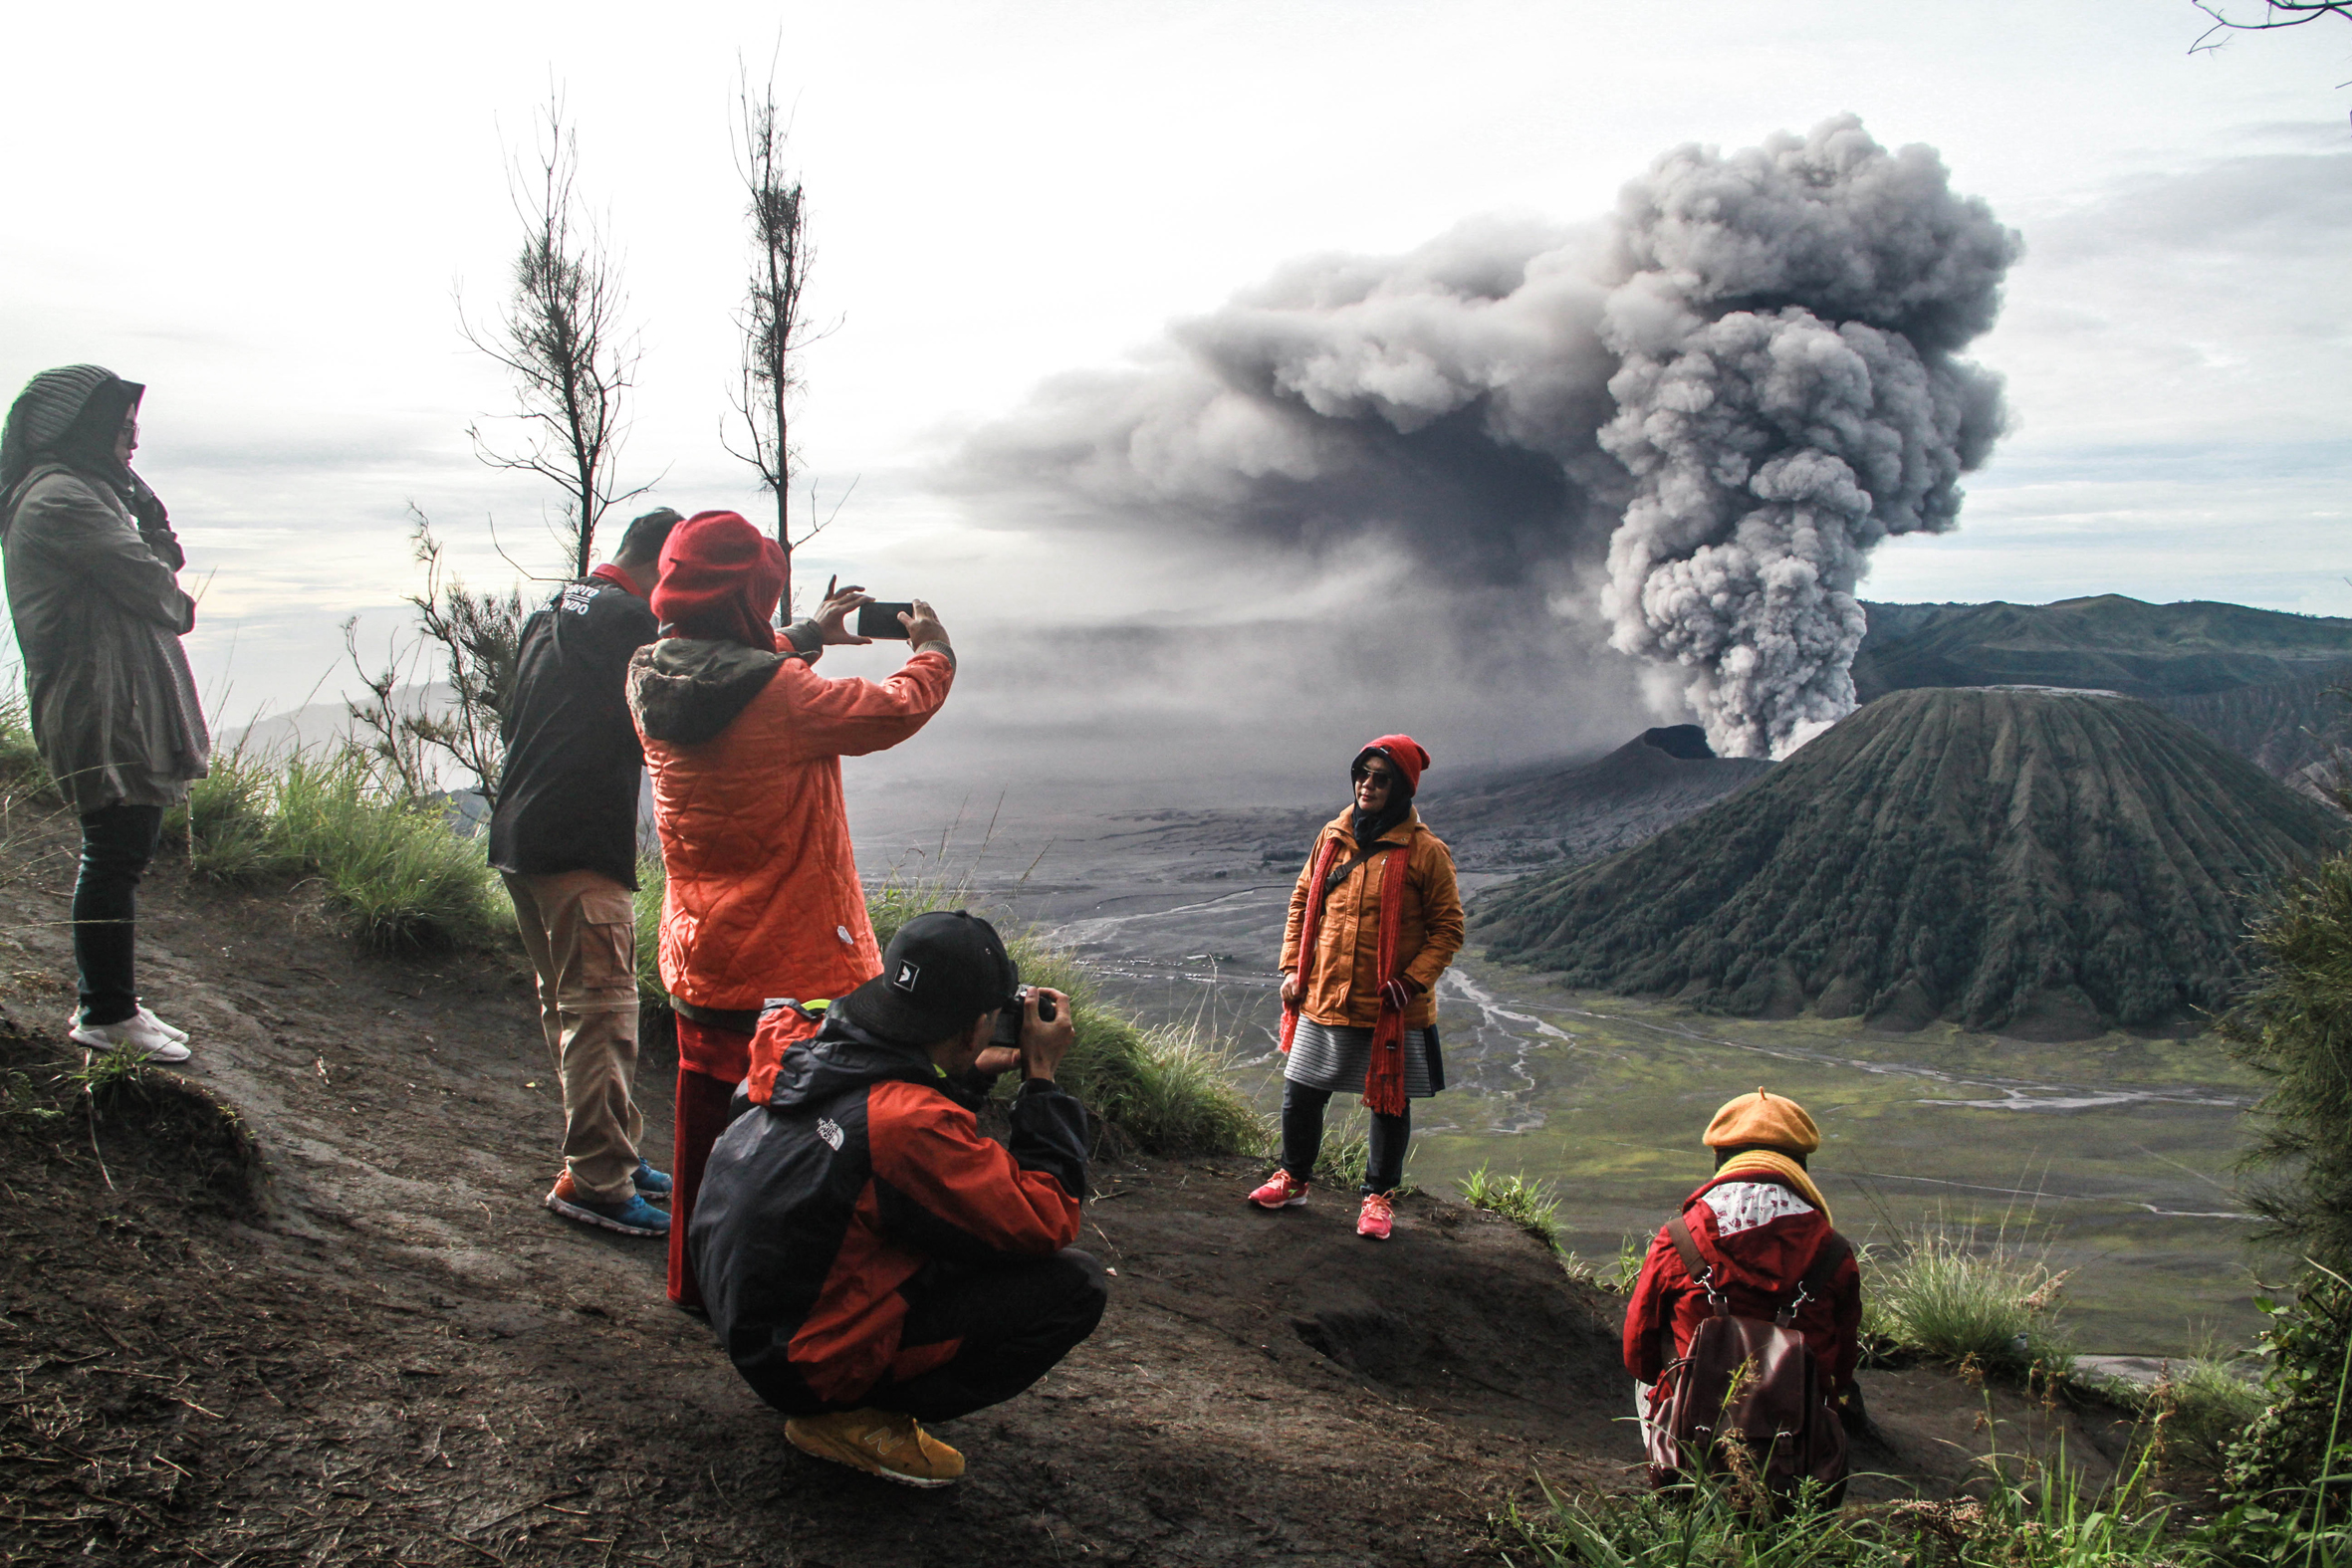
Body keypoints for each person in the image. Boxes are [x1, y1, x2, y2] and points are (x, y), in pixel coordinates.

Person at [625, 510, 955, 1309]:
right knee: (791, 1138)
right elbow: (892, 709)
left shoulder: (646, 672)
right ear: (745, 597)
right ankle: (771, 1296)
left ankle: (693, 1284)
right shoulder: (780, 695)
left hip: (701, 954)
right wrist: (935, 651)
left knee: (706, 1126)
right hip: (786, 962)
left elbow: (725, 672)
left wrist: (804, 631)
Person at [693, 909, 1104, 1487]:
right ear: (972, 1030)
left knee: (940, 1217)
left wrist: (964, 1074)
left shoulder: (798, 1040)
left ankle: (839, 1388)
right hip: (802, 1364)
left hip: (747, 1312)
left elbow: (872, 1127)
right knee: (1074, 1286)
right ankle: (850, 1418)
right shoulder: (905, 1124)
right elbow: (1047, 1215)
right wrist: (1041, 1082)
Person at [0, 366, 208, 1062]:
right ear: (80, 429)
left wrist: (150, 528)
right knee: (114, 849)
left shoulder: (84, 493)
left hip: (114, 695)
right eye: (121, 431)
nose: (131, 446)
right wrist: (170, 583)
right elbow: (151, 584)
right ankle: (105, 1011)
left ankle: (114, 1001)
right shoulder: (60, 500)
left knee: (124, 847)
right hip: (98, 701)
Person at [489, 507, 686, 1238]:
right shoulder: (630, 623)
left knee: (571, 1007)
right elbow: (700, 683)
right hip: (577, 846)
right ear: (662, 569)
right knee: (602, 1010)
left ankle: (613, 1153)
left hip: (520, 833)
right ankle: (598, 1180)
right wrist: (802, 640)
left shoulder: (556, 608)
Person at [1248, 735, 1464, 1239]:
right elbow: (1303, 901)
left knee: (1389, 1103)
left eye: (1381, 778)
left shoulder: (1426, 852)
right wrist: (1291, 970)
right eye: (1362, 774)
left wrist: (1412, 982)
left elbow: (1448, 929)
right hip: (1324, 993)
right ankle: (1295, 1179)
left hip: (1390, 1006)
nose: (1368, 785)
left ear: (1403, 787)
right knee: (1300, 1094)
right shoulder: (1333, 836)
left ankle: (1378, 1199)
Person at [1622, 1089, 1863, 1488]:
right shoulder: (1833, 1253)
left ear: (1719, 1158)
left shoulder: (1680, 1239)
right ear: (1801, 1165)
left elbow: (1638, 1356)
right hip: (1793, 1457)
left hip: (1694, 1441)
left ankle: (1678, 1482)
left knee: (1649, 1379)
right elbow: (1840, 1372)